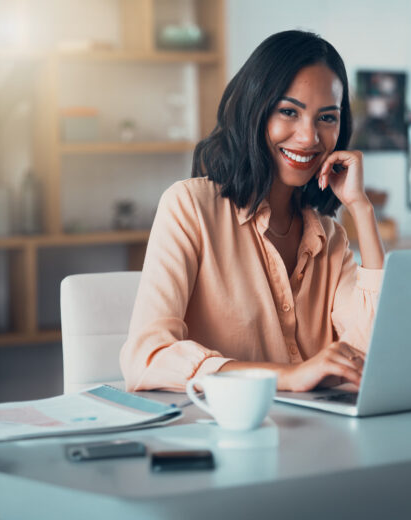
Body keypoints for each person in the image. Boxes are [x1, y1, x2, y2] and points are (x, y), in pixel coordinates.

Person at [120, 30, 385, 393]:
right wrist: (288, 376)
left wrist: (362, 209)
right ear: (254, 111)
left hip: (319, 436)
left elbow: (372, 354)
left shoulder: (330, 238)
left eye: (327, 118)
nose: (309, 138)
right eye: (289, 112)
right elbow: (147, 359)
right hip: (219, 436)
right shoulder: (189, 208)